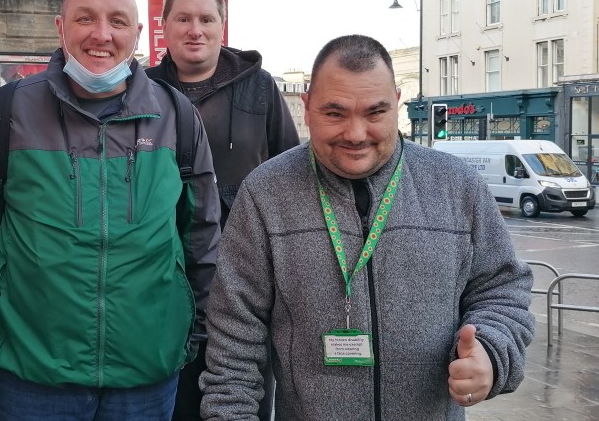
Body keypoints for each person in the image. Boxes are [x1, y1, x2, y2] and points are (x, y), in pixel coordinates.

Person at [200, 35, 534, 420]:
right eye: (335, 113)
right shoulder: (265, 193)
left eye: (375, 112)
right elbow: (233, 341)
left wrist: (492, 352)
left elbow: (502, 288)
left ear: (396, 103)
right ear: (307, 109)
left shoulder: (457, 185)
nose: (356, 134)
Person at [0, 0, 221, 420]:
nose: (101, 34)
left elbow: (201, 234)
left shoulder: (177, 116)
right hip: (31, 373)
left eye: (118, 21)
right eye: (86, 19)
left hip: (146, 371)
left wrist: (196, 332)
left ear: (137, 35)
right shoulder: (5, 113)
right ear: (61, 29)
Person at [144, 0, 299, 421]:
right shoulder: (142, 90)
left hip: (247, 275)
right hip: (163, 273)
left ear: (221, 26)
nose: (196, 29)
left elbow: (292, 174)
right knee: (173, 398)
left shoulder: (260, 89)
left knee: (240, 394)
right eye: (184, 19)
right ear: (165, 26)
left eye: (206, 19)